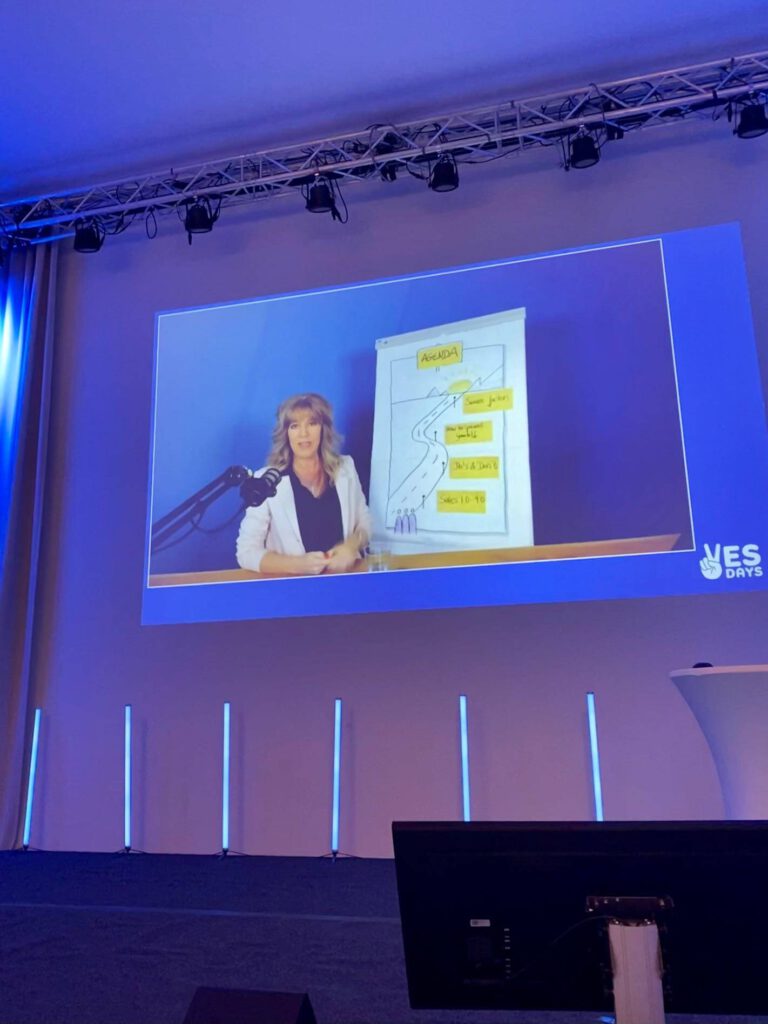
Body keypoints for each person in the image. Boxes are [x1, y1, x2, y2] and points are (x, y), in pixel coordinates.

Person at [236, 393, 371, 576]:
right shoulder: (266, 481)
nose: (304, 433)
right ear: (286, 433)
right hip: (295, 588)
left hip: (346, 580)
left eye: (312, 424)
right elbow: (246, 553)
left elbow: (365, 522)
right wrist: (297, 565)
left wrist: (350, 546)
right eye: (295, 426)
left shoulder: (346, 467)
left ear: (323, 429)